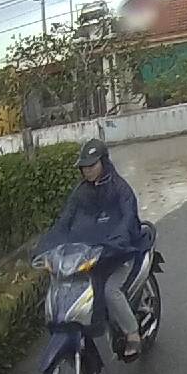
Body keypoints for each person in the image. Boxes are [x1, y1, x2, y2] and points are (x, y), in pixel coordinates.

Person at [41, 138, 151, 361]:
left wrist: (115, 242)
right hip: (92, 256)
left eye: (92, 165)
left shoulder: (120, 189)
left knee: (110, 291)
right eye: (84, 167)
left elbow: (128, 219)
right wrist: (46, 247)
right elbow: (64, 222)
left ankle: (132, 333)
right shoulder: (80, 193)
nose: (87, 170)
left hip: (121, 253)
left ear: (104, 162)